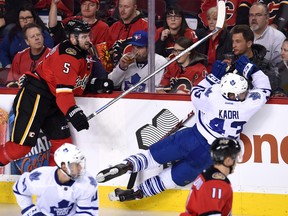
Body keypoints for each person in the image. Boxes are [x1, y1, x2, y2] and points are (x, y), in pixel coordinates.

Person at [96, 56, 271, 202]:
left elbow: (195, 92)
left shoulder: (213, 96)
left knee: (151, 157)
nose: (244, 95)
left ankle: (126, 165)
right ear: (234, 94)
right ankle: (136, 194)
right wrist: (252, 69)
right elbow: (264, 88)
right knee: (169, 180)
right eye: (241, 93)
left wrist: (213, 77)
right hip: (209, 155)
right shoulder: (247, 106)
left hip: (191, 138)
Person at [0, 19, 113, 167]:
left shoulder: (83, 53)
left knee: (63, 147)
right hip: (35, 97)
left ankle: (55, 183)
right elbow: (64, 93)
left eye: (88, 36)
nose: (88, 40)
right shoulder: (67, 55)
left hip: (52, 101)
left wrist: (95, 84)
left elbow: (76, 85)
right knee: (20, 148)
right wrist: (74, 113)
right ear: (73, 38)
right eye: (84, 37)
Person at [13, 143, 99, 216]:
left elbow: (87, 212)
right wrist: (32, 211)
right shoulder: (40, 178)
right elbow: (19, 189)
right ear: (64, 166)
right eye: (76, 164)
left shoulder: (88, 183)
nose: (80, 168)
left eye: (80, 163)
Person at [179, 137, 241, 216]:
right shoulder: (217, 184)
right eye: (235, 157)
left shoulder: (208, 174)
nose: (236, 162)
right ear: (228, 160)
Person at [0, 4, 54, 68]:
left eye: (28, 18)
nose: (25, 21)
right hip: (13, 70)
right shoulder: (12, 33)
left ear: (34, 19)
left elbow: (48, 56)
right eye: (22, 18)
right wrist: (7, 65)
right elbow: (2, 50)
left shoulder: (43, 35)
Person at [231, 24, 280, 93]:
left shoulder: (265, 65)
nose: (233, 45)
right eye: (233, 41)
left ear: (249, 44)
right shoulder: (230, 63)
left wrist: (253, 74)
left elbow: (271, 88)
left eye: (237, 41)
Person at [5, 23, 51, 88]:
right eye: (32, 36)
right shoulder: (19, 56)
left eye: (38, 35)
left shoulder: (52, 56)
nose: (37, 38)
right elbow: (11, 82)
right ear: (27, 41)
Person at [107, 0, 150, 66]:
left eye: (126, 7)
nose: (122, 10)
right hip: (117, 71)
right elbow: (107, 51)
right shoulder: (114, 27)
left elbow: (151, 53)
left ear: (135, 7)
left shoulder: (146, 26)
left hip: (138, 70)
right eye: (120, 6)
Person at [196, 6, 233, 72]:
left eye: (215, 19)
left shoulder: (229, 37)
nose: (211, 22)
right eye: (209, 19)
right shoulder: (202, 35)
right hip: (203, 72)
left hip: (220, 72)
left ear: (222, 20)